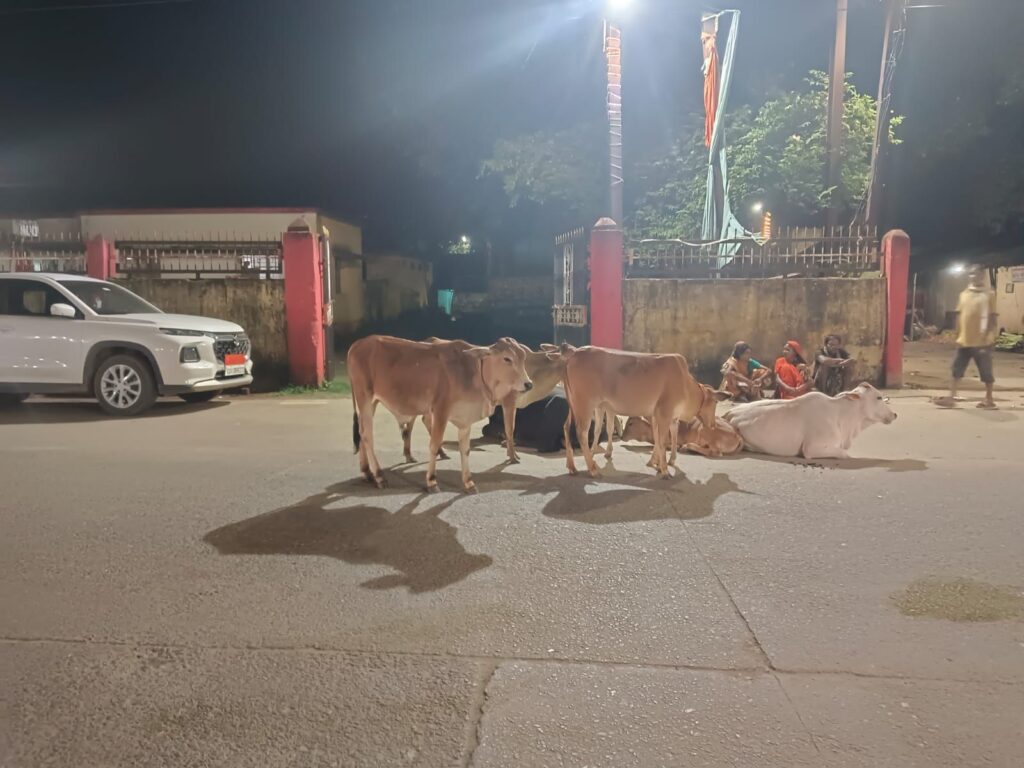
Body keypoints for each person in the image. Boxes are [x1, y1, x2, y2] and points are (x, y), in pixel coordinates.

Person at [937, 266, 998, 409]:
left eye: (976, 274)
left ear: (982, 275)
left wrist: (990, 336)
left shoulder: (989, 294)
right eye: (971, 274)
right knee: (956, 370)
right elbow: (959, 315)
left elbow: (992, 317)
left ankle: (989, 399)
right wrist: (957, 335)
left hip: (982, 341)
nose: (973, 276)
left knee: (986, 372)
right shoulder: (964, 294)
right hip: (964, 340)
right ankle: (951, 398)